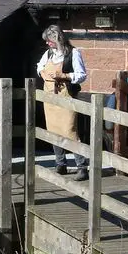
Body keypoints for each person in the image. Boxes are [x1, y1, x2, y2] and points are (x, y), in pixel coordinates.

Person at [35, 25, 90, 181]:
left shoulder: (73, 53)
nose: (47, 44)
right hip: (50, 97)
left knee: (69, 131)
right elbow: (39, 67)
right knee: (54, 130)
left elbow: (81, 75)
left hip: (66, 96)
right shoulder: (48, 54)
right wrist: (44, 73)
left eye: (49, 40)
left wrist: (64, 75)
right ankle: (60, 163)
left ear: (56, 38)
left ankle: (82, 167)